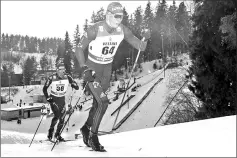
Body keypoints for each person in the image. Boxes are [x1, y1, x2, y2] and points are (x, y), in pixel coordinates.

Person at [75, 2, 151, 151]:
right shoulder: (96, 29)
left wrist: (145, 38)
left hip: (107, 69)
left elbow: (141, 47)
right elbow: (78, 48)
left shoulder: (122, 30)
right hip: (93, 69)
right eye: (116, 16)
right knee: (103, 102)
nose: (119, 20)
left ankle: (85, 128)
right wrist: (84, 68)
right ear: (108, 14)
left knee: (98, 104)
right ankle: (93, 137)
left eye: (121, 16)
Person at [43, 58, 79, 142]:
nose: (63, 71)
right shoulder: (52, 77)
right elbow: (44, 89)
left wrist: (74, 85)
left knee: (62, 118)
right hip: (54, 99)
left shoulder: (68, 77)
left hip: (62, 99)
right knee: (57, 116)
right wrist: (48, 98)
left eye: (64, 69)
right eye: (61, 69)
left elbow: (76, 86)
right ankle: (50, 133)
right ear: (57, 70)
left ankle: (57, 135)